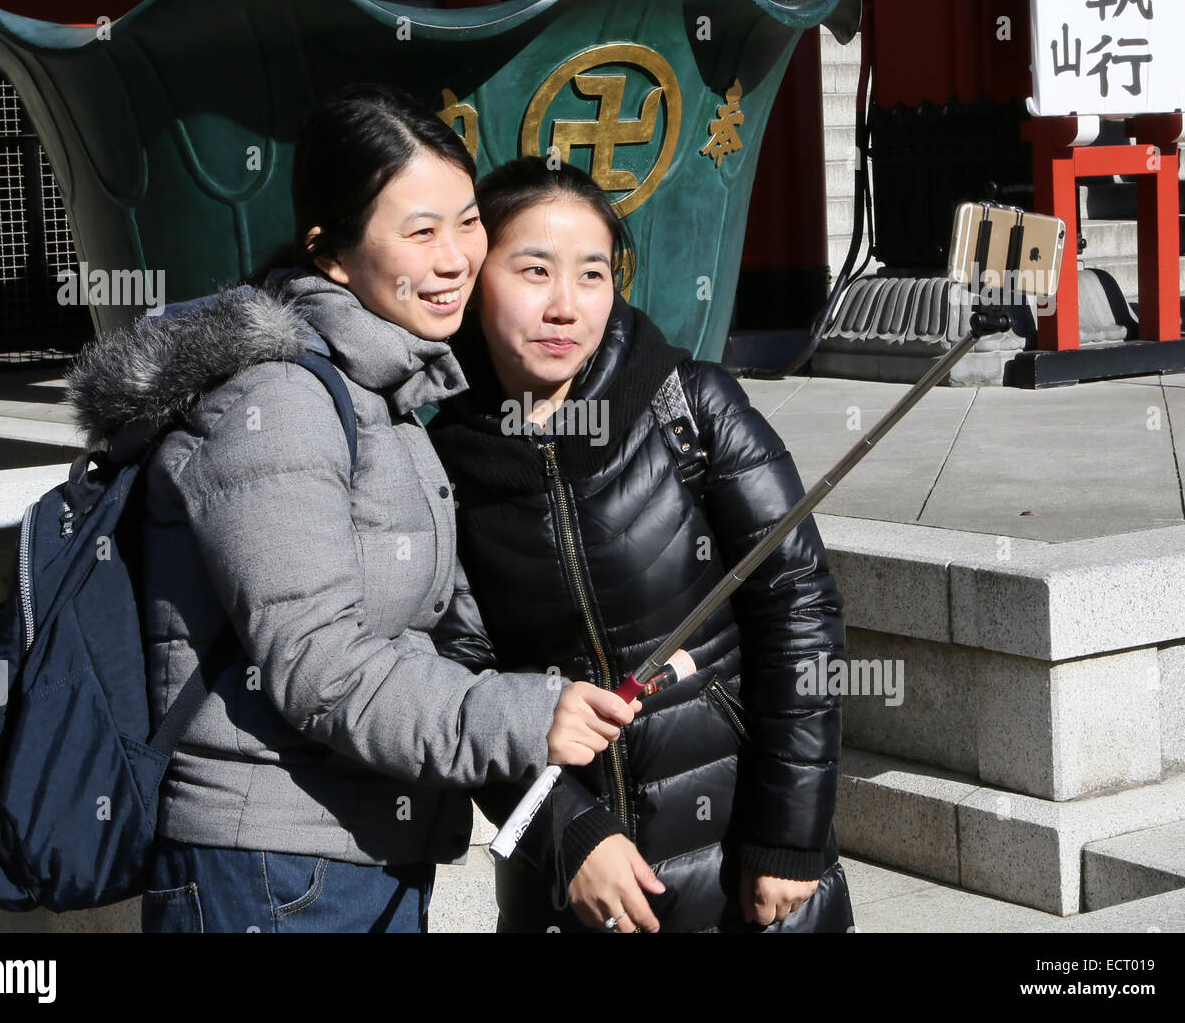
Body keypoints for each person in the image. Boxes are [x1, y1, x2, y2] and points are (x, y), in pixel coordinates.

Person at [65, 88, 636, 933]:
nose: (455, 259)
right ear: (331, 255)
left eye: (467, 221)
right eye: (418, 232)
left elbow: (435, 625)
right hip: (272, 867)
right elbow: (320, 667)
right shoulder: (281, 400)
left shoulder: (380, 387)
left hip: (355, 848)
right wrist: (523, 714)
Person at [428, 157, 852, 933]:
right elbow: (462, 683)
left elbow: (799, 608)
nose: (565, 306)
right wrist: (567, 833)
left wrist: (789, 838)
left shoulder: (690, 406)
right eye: (533, 271)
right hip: (572, 893)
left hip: (743, 871)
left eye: (592, 275)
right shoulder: (439, 460)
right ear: (476, 277)